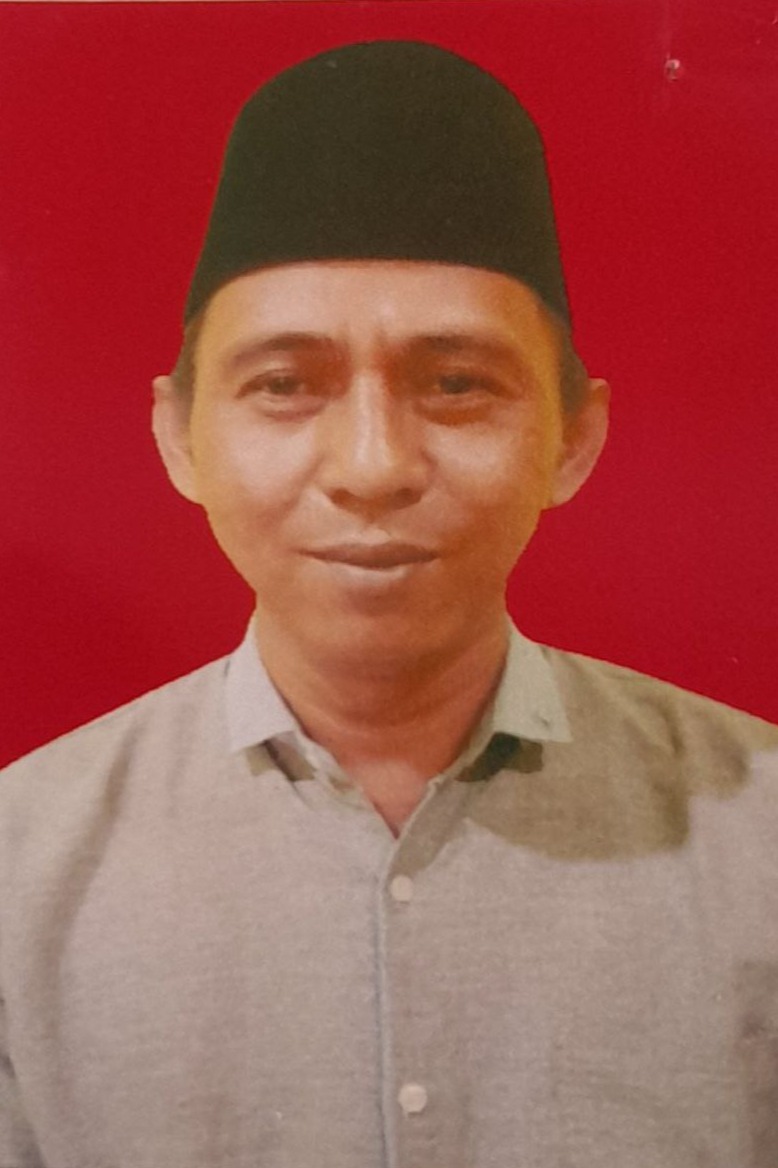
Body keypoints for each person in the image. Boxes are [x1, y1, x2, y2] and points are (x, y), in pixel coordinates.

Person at [1, 39, 776, 1168]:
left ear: (574, 437)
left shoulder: (761, 837)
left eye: (456, 383)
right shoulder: (19, 868)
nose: (372, 466)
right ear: (179, 437)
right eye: (285, 384)